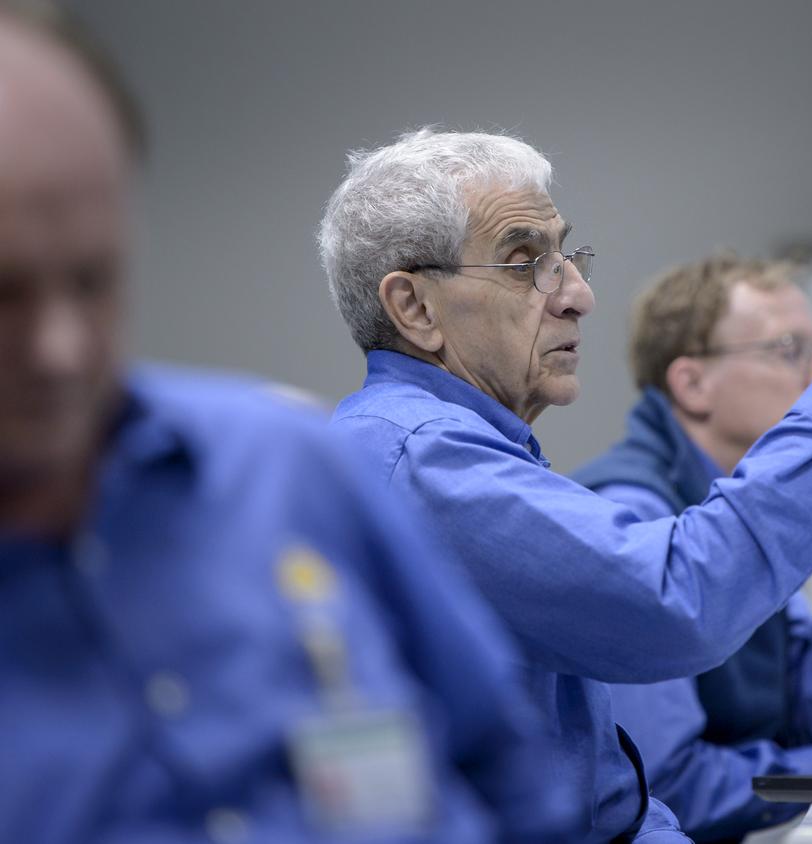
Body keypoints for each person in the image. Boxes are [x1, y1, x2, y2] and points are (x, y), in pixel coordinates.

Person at [320, 126, 812, 842]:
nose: (577, 295)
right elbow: (680, 603)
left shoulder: (459, 450)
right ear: (415, 309)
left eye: (567, 256)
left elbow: (615, 792)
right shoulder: (424, 460)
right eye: (523, 263)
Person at [0, 6, 571, 842]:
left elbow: (510, 772)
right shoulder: (407, 449)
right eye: (4, 293)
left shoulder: (285, 466)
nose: (60, 349)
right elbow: (674, 600)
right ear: (411, 305)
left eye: (93, 280)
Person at [573, 255, 812, 842]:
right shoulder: (635, 516)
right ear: (692, 384)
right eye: (789, 350)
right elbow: (662, 784)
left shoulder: (741, 507)